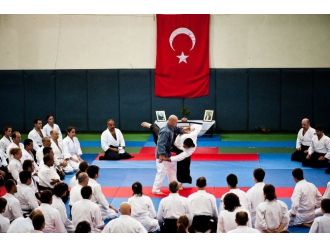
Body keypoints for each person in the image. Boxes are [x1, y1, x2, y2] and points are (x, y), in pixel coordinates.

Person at [152, 115, 184, 194]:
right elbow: (160, 143)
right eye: (176, 122)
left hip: (168, 154)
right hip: (162, 155)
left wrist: (183, 130)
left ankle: (173, 185)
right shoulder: (165, 131)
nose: (176, 123)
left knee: (172, 169)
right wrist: (162, 155)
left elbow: (176, 129)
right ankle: (155, 190)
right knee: (161, 172)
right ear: (171, 121)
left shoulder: (171, 127)